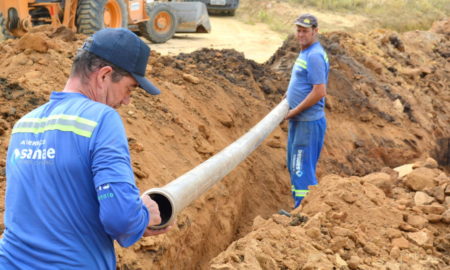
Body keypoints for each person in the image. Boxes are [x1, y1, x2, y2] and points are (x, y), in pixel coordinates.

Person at [0, 28, 171, 269]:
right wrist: (142, 216)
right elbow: (120, 218)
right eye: (129, 89)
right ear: (104, 76)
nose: (126, 101)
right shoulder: (101, 120)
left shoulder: (23, 125)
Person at [285, 14, 329, 208]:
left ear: (315, 31)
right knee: (294, 166)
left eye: (305, 31)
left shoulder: (314, 55)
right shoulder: (305, 52)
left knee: (301, 168)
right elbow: (302, 84)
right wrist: (287, 97)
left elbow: (319, 91)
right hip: (300, 120)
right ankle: (300, 208)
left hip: (307, 122)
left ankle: (302, 213)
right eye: (299, 31)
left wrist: (294, 111)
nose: (301, 34)